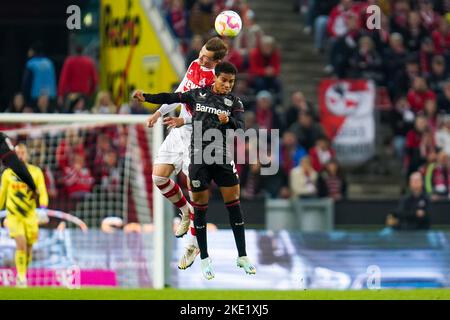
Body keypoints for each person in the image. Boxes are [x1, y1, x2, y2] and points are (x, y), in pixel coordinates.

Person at [134, 62, 256, 280]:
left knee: (234, 205)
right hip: (199, 160)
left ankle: (243, 256)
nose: (227, 85)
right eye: (224, 80)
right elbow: (171, 97)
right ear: (215, 78)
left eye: (231, 81)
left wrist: (228, 122)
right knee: (199, 209)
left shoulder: (234, 102)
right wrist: (148, 97)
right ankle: (205, 259)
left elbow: (241, 127)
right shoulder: (197, 94)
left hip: (222, 159)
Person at [143, 37, 228, 270]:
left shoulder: (219, 84)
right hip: (179, 133)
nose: (200, 59)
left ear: (218, 62)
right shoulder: (194, 65)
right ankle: (184, 212)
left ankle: (193, 244)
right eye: (201, 53)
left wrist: (183, 119)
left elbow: (209, 114)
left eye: (206, 58)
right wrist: (159, 112)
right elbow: (179, 92)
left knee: (196, 191)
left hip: (200, 138)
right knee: (159, 177)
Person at [0, 143, 49, 287]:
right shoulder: (8, 174)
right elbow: (2, 195)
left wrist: (43, 208)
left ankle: (22, 273)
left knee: (28, 248)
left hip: (30, 216)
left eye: (23, 152)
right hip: (14, 215)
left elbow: (43, 192)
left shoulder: (36, 172)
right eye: (18, 153)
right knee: (20, 244)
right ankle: (22, 278)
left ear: (27, 154)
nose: (20, 155)